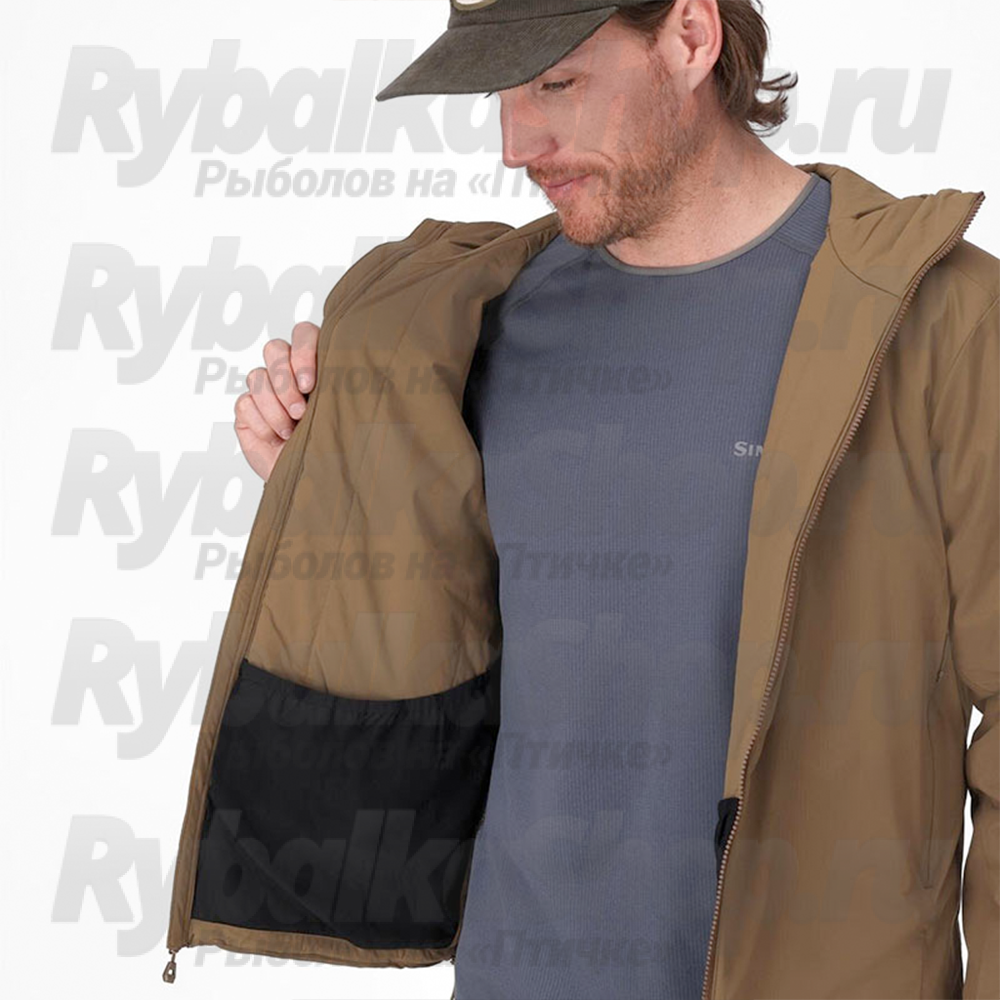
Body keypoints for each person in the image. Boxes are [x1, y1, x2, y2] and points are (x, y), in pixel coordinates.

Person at [226, 3, 997, 998]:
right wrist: (325, 483)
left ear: (690, 38)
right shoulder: (470, 323)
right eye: (501, 94)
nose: (515, 144)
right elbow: (443, 662)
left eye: (556, 83)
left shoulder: (941, 322)